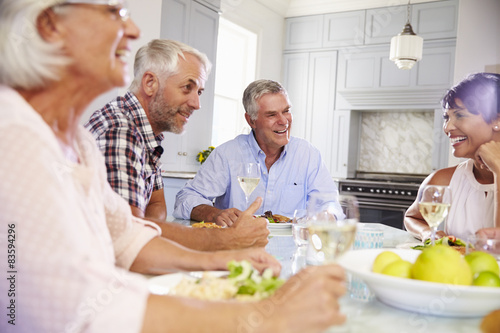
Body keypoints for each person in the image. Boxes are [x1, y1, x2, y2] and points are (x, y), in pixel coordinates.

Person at [0, 1, 347, 332]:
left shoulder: (77, 140)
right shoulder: (15, 135)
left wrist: (222, 259)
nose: (133, 28)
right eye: (114, 11)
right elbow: (74, 310)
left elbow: (127, 235)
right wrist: (265, 317)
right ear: (50, 25)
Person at [85, 39, 269, 251]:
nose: (196, 104)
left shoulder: (143, 133)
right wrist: (226, 240)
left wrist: (149, 229)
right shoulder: (121, 131)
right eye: (186, 88)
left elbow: (156, 206)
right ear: (150, 83)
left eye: (199, 92)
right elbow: (128, 237)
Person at [174, 79, 342, 226]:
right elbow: (186, 199)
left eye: (286, 111)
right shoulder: (227, 154)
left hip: (292, 249)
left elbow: (331, 204)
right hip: (237, 249)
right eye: (271, 115)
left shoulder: (308, 154)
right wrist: (214, 213)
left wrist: (326, 216)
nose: (284, 121)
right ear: (251, 120)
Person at [404, 73, 500, 241]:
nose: (447, 127)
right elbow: (412, 218)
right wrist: (427, 233)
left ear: (496, 120)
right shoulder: (443, 180)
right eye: (446, 117)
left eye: (460, 115)